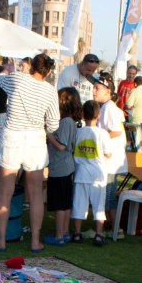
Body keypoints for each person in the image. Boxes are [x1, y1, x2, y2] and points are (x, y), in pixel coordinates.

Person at [0, 53, 60, 253]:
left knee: (5, 191)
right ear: (48, 71)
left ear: (31, 65)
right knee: (36, 194)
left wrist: (7, 67)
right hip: (35, 140)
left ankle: (1, 241)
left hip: (12, 137)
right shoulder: (50, 90)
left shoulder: (17, 79)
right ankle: (35, 241)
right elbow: (53, 124)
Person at [71, 100, 113, 246]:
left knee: (79, 204)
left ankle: (77, 233)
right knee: (98, 205)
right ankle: (99, 235)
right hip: (98, 175)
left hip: (81, 173)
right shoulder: (103, 134)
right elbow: (108, 154)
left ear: (83, 115)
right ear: (99, 115)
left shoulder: (78, 132)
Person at [44, 87, 82, 247]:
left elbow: (61, 146)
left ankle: (59, 235)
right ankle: (65, 232)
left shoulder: (65, 122)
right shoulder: (71, 121)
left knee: (60, 204)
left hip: (60, 168)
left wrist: (49, 135)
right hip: (66, 167)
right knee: (66, 203)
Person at [93, 78, 127, 238]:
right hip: (111, 159)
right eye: (94, 88)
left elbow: (116, 131)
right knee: (108, 194)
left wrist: (98, 139)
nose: (94, 91)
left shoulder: (109, 108)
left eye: (97, 88)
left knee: (107, 195)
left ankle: (112, 229)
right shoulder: (107, 107)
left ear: (108, 91)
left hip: (111, 160)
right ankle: (111, 227)